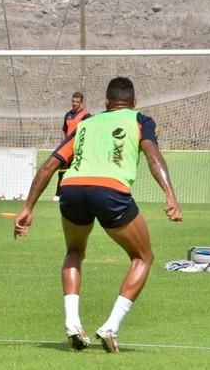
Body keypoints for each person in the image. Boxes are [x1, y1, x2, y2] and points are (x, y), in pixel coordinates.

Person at [14, 77, 182, 352]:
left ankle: (72, 323)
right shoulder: (140, 120)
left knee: (74, 251)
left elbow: (48, 166)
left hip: (71, 189)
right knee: (143, 256)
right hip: (110, 191)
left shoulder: (85, 123)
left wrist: (28, 208)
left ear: (106, 102)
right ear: (134, 102)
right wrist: (170, 194)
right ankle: (110, 327)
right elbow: (153, 156)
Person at [54, 92, 91, 201]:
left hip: (79, 148)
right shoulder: (68, 115)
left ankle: (80, 196)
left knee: (78, 171)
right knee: (62, 170)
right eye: (73, 101)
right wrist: (62, 145)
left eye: (77, 102)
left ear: (81, 102)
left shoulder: (86, 115)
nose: (74, 104)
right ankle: (58, 194)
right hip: (67, 147)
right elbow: (64, 131)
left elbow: (88, 131)